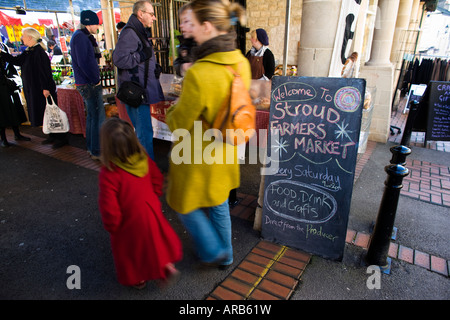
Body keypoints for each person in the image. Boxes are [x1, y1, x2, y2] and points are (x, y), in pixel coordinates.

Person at [165, 0, 250, 269]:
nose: (190, 31)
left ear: (207, 26)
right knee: (218, 201)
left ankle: (215, 250)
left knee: (183, 203)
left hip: (195, 153)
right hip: (225, 149)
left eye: (193, 24)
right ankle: (227, 254)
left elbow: (179, 123)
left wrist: (171, 110)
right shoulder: (240, 62)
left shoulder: (200, 73)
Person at [98, 117, 182, 289]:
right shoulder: (143, 158)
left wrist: (113, 226)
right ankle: (166, 266)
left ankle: (139, 279)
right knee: (154, 243)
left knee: (132, 252)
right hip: (150, 210)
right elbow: (157, 178)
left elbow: (109, 206)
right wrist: (155, 195)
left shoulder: (110, 173)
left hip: (128, 220)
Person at [113, 0, 165, 160]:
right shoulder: (130, 32)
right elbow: (120, 59)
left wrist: (153, 66)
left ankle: (144, 169)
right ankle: (147, 172)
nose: (154, 18)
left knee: (143, 132)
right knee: (144, 134)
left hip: (139, 90)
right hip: (137, 93)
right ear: (140, 14)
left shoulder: (137, 30)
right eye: (151, 14)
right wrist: (142, 56)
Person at [0, 28, 68, 148]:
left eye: (23, 36)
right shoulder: (29, 51)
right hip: (36, 89)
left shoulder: (39, 52)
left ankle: (61, 138)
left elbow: (45, 72)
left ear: (30, 37)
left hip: (42, 89)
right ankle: (52, 136)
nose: (21, 38)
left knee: (52, 113)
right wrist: (2, 53)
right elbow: (17, 61)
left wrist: (46, 88)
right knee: (45, 112)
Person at [70, 10, 106, 160]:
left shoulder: (81, 36)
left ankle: (92, 149)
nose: (98, 27)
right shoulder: (81, 38)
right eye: (96, 24)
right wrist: (95, 79)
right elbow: (84, 62)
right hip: (89, 83)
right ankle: (97, 150)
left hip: (85, 82)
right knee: (97, 117)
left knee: (92, 116)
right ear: (89, 23)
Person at [0, 41, 30, 147]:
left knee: (14, 109)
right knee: (2, 113)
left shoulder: (3, 46)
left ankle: (17, 134)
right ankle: (3, 138)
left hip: (9, 84)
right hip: (2, 86)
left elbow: (11, 63)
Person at [173, 4, 196, 77]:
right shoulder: (184, 42)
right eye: (181, 21)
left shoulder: (204, 44)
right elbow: (177, 62)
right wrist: (183, 67)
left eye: (186, 21)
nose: (181, 25)